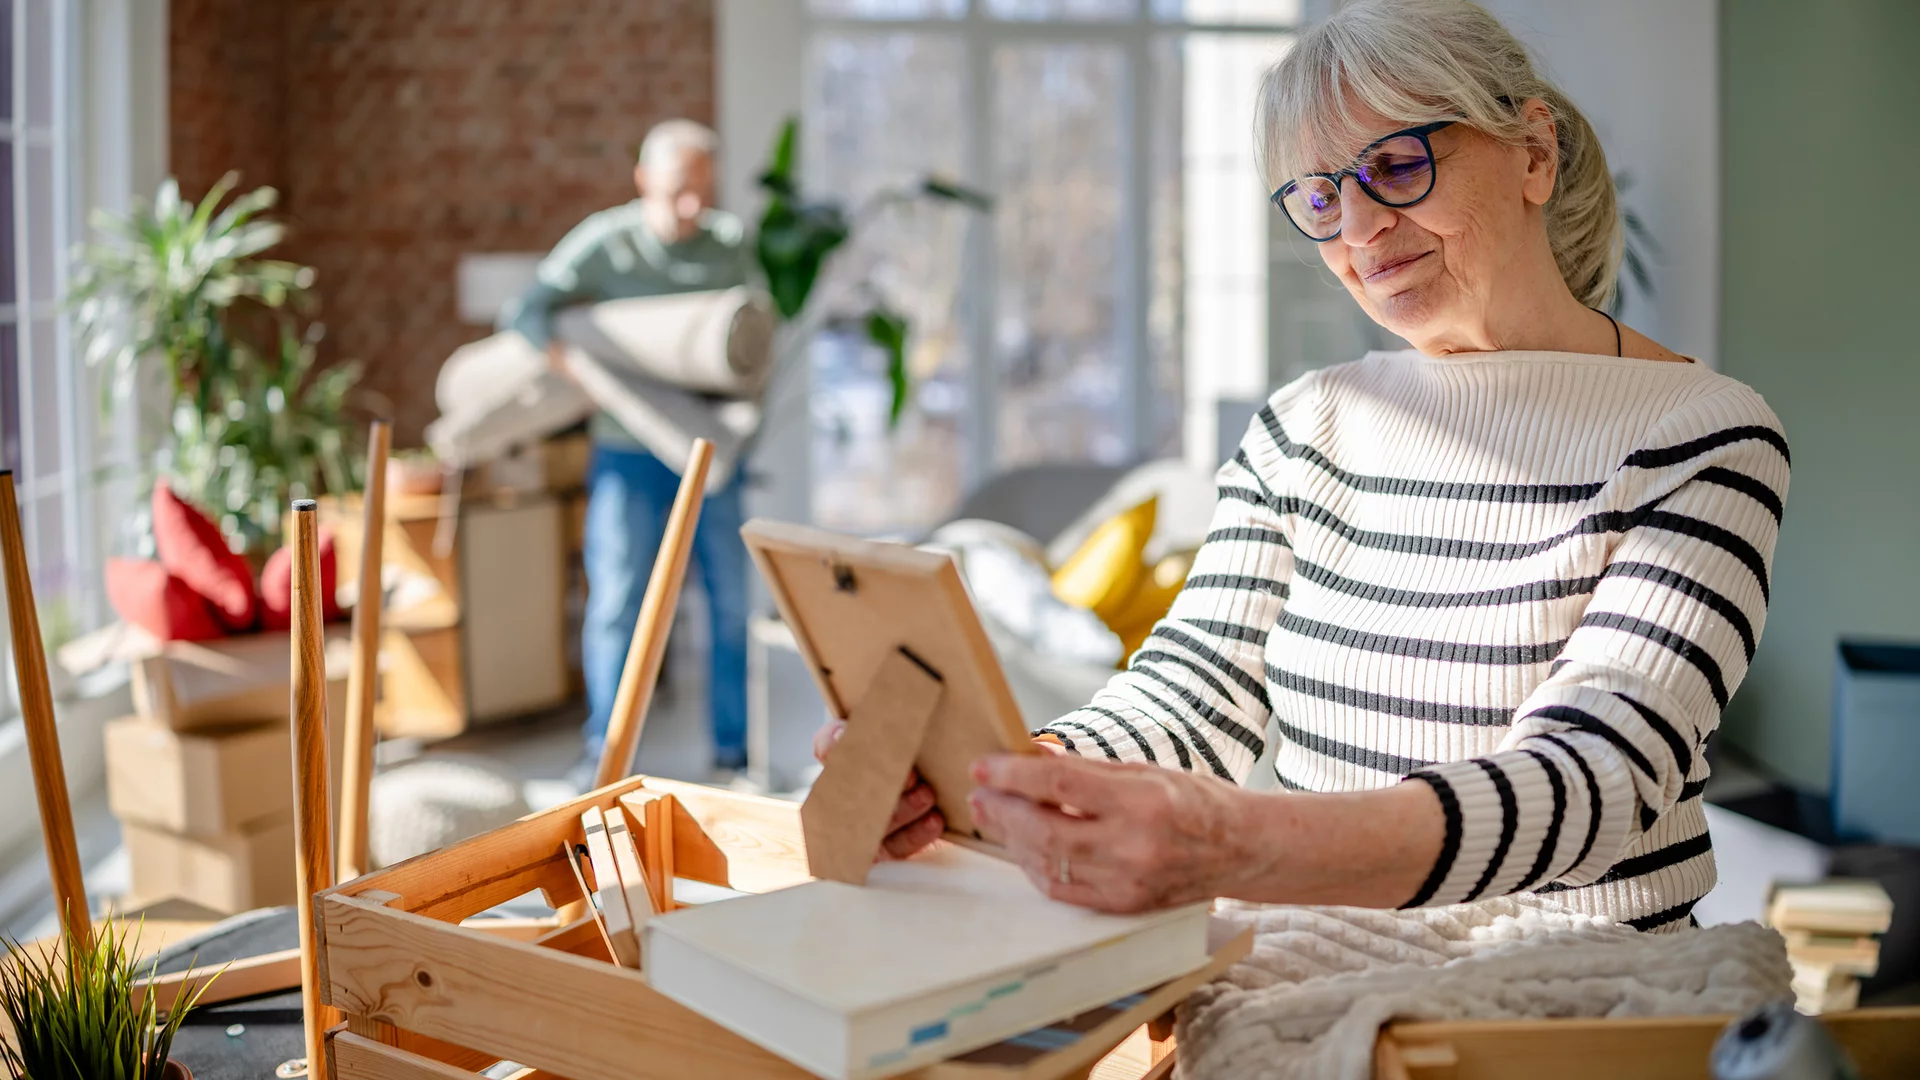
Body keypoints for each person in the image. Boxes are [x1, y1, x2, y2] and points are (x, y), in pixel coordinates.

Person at [825, 0, 1789, 932]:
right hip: (1321, 959)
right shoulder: (1307, 424)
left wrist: (1245, 845)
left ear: (1533, 153)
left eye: (1399, 164)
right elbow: (1192, 695)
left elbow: (1597, 777)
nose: (1361, 231)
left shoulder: (1703, 434)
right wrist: (1008, 772)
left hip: (1574, 995)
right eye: (1323, 197)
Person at [501, 119, 755, 785]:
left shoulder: (728, 248)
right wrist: (579, 369)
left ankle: (735, 755)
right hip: (626, 453)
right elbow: (526, 310)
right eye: (677, 191)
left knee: (731, 599)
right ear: (643, 182)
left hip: (709, 454)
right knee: (617, 601)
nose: (691, 206)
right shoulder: (605, 245)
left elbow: (754, 341)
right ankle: (606, 755)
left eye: (703, 191)